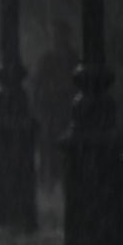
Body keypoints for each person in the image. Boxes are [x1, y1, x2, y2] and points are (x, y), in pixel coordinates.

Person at [30, 19, 79, 188]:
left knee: (61, 147)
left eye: (61, 35)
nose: (58, 39)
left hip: (66, 111)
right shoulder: (47, 60)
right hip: (51, 111)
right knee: (50, 147)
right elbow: (38, 86)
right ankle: (49, 179)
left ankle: (62, 178)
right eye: (56, 35)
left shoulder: (74, 60)